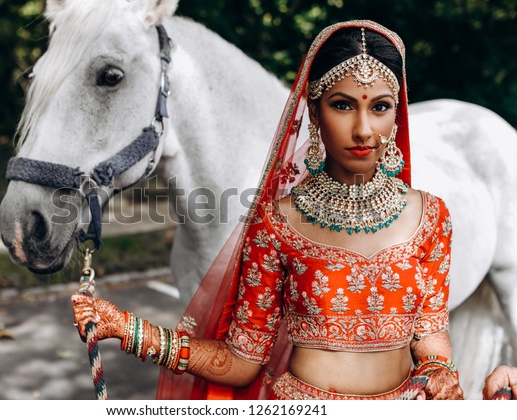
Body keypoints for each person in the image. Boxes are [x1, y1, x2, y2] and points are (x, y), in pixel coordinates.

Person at [72, 20, 464, 400]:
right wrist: (128, 329)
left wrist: (438, 370)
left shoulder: (429, 217)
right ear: (314, 112)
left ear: (397, 115)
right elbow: (240, 361)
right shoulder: (277, 223)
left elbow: (429, 333)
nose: (363, 130)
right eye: (342, 105)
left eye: (380, 107)